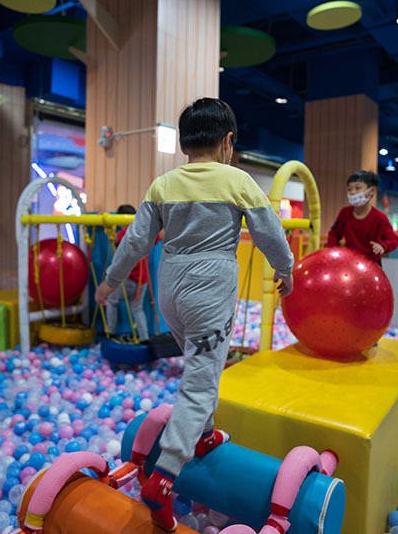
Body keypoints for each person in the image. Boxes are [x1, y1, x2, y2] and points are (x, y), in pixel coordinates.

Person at [94, 98, 294, 531]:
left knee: (198, 368)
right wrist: (286, 269)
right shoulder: (237, 181)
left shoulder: (163, 184)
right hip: (210, 282)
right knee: (202, 380)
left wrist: (111, 281)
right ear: (227, 142)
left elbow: (134, 242)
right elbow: (270, 233)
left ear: (184, 145)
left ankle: (202, 434)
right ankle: (164, 478)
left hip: (171, 284)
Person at [106, 204, 159, 342]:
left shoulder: (128, 231)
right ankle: (144, 337)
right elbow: (158, 236)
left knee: (111, 300)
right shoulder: (144, 230)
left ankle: (111, 333)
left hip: (128, 278)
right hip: (142, 279)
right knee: (137, 308)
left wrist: (107, 225)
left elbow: (114, 240)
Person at [326, 170, 398, 265]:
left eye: (358, 188)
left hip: (371, 264)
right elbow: (334, 233)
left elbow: (393, 240)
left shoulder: (380, 218)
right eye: (349, 189)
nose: (352, 192)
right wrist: (333, 253)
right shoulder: (345, 213)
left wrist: (383, 246)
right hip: (350, 263)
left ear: (372, 191)